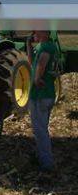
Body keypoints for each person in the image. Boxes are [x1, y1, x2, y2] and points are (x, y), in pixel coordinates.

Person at [27, 31, 58, 171]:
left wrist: (37, 78)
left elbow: (41, 63)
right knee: (41, 128)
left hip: (40, 95)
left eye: (37, 30)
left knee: (40, 131)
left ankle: (47, 164)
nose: (34, 33)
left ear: (44, 32)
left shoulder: (46, 48)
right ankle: (42, 156)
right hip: (48, 94)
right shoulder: (44, 46)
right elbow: (32, 61)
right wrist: (29, 45)